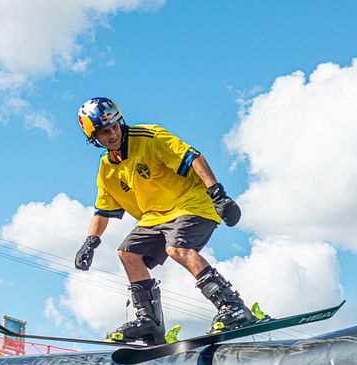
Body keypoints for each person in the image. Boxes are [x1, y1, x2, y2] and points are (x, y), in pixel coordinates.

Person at [74, 97, 257, 345]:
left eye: (115, 126)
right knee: (128, 253)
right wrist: (90, 243)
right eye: (104, 132)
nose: (113, 135)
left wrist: (218, 194)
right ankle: (150, 323)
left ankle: (233, 307)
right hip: (155, 218)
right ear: (93, 138)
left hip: (193, 203)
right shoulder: (107, 169)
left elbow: (193, 157)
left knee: (177, 248)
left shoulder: (149, 137)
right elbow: (103, 210)